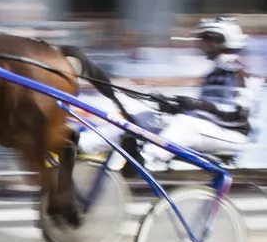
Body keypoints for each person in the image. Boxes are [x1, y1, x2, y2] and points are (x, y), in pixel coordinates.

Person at [78, 16, 261, 170]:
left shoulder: (240, 74)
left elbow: (236, 116)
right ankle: (85, 144)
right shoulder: (215, 72)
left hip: (233, 135)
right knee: (142, 118)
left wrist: (195, 105)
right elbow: (204, 110)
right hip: (208, 128)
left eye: (208, 39)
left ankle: (148, 160)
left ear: (223, 41)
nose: (202, 45)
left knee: (186, 124)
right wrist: (173, 105)